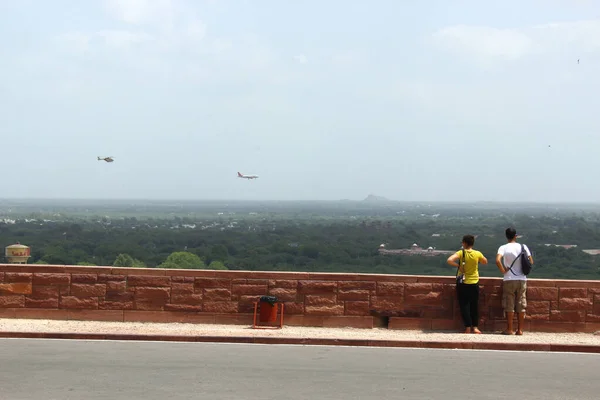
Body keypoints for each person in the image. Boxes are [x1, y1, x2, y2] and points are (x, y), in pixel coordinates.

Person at [496, 227, 534, 335]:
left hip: (509, 278)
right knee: (521, 303)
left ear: (506, 236)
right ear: (515, 236)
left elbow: (497, 260)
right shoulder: (523, 247)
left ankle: (509, 329)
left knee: (509, 304)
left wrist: (503, 270)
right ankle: (520, 329)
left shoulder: (503, 247)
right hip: (521, 279)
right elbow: (531, 261)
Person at [447, 234, 488, 334]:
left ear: (464, 243)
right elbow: (485, 261)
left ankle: (467, 328)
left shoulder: (461, 253)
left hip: (463, 283)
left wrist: (459, 265)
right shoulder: (477, 253)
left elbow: (449, 260)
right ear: (472, 243)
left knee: (464, 305)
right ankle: (475, 327)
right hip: (474, 282)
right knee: (474, 305)